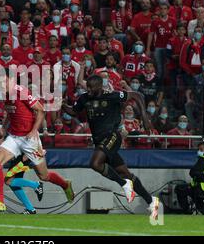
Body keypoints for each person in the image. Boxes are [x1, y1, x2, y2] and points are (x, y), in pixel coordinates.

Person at [63, 75, 159, 219]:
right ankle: (152, 201)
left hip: (112, 136)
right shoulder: (84, 98)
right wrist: (63, 104)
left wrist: (144, 116)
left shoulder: (113, 96)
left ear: (100, 87)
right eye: (87, 87)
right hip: (99, 140)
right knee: (125, 173)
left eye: (91, 88)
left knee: (95, 164)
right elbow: (73, 111)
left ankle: (124, 185)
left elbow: (137, 96)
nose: (88, 90)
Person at [0, 72, 74, 212]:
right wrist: (4, 128)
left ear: (10, 79)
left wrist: (34, 130)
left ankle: (64, 185)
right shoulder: (5, 95)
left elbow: (40, 110)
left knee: (43, 176)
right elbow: (12, 113)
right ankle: (0, 202)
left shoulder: (21, 91)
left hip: (29, 140)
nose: (1, 84)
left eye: (3, 81)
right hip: (15, 137)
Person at [175, 142, 204, 215]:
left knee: (179, 188)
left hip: (202, 188)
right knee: (194, 193)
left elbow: (192, 172)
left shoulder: (203, 159)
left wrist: (198, 176)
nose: (199, 151)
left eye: (201, 149)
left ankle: (187, 211)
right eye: (198, 149)